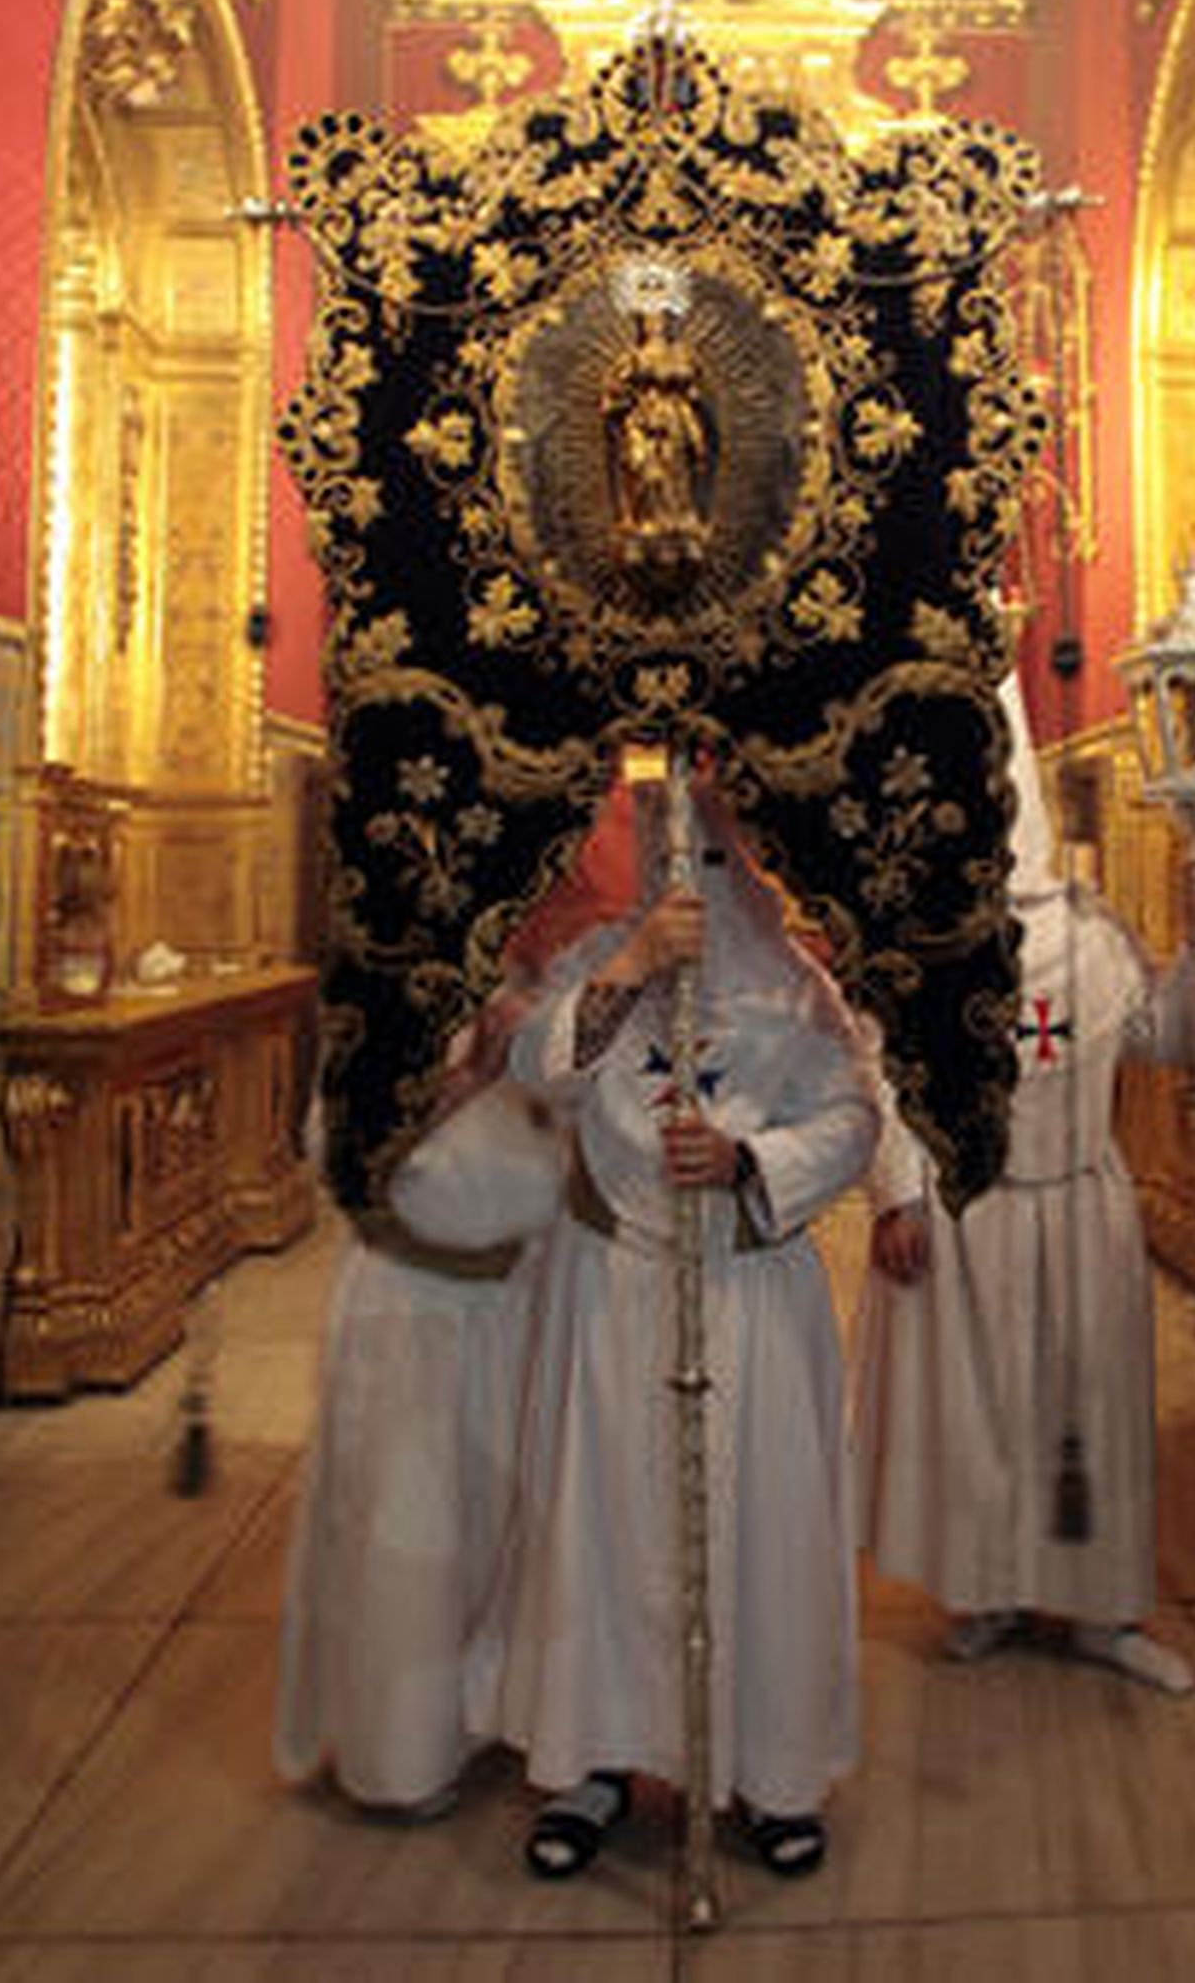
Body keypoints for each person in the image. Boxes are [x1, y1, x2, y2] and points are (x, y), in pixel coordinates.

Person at [466, 776, 880, 1880]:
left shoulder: (795, 984)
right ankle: (594, 1761)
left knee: (760, 1533)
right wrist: (633, 964)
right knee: (603, 1529)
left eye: (707, 853)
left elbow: (854, 1116)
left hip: (747, 1294)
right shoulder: (602, 959)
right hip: (614, 1290)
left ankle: (772, 1772)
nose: (686, 876)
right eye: (665, 853)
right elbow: (537, 1066)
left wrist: (751, 1160)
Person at [853, 671, 1195, 1695]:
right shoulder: (930, 935)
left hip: (1080, 1210)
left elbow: (1167, 1036)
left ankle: (1105, 1614)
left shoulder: (1094, 930)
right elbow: (887, 1063)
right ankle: (988, 1595)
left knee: (1084, 1419)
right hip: (973, 1209)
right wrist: (895, 1192)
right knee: (982, 1418)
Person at [273, 999, 569, 1819]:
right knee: (405, 1542)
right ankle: (400, 1755)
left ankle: (501, 1718)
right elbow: (332, 1149)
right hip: (408, 1311)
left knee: (505, 1526)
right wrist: (467, 1079)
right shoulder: (392, 998)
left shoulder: (562, 998)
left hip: (522, 1306)